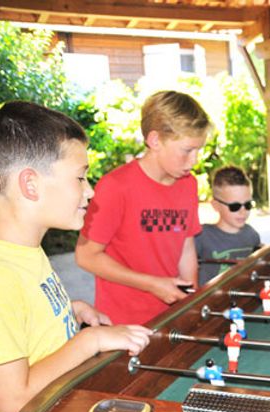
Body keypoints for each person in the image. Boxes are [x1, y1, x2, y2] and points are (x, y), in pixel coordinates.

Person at [0, 101, 153, 412]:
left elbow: (22, 319)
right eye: (80, 178)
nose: (91, 191)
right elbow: (14, 399)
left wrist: (69, 308)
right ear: (30, 184)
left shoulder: (23, 251)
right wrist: (91, 341)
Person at [75, 91, 212, 325]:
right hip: (122, 323)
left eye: (198, 150)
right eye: (187, 150)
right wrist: (152, 284)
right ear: (155, 140)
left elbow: (186, 247)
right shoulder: (115, 187)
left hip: (171, 316)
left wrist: (191, 301)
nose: (194, 160)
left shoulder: (188, 184)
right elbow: (86, 256)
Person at [194, 166, 261, 285]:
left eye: (248, 205)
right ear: (216, 205)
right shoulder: (201, 236)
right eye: (234, 206)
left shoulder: (251, 235)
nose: (243, 211)